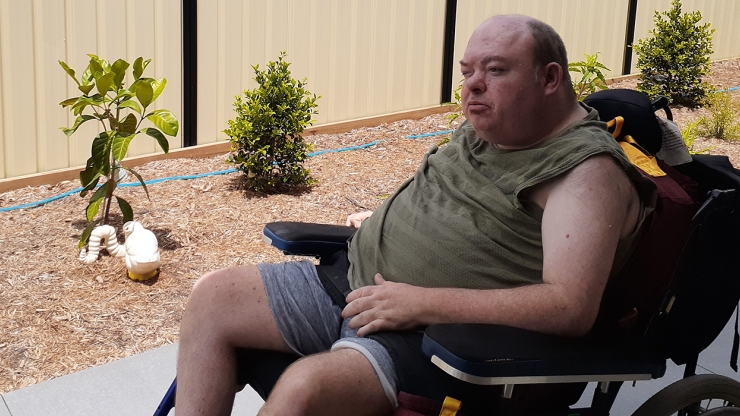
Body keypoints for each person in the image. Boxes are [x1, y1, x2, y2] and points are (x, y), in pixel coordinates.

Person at [175, 14, 655, 416]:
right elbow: (452, 198)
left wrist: (420, 302)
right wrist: (387, 222)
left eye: (495, 70)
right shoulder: (499, 126)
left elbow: (570, 307)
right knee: (212, 297)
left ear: (549, 78)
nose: (473, 86)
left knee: (304, 390)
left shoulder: (585, 175)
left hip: (433, 341)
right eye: (468, 71)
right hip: (356, 286)